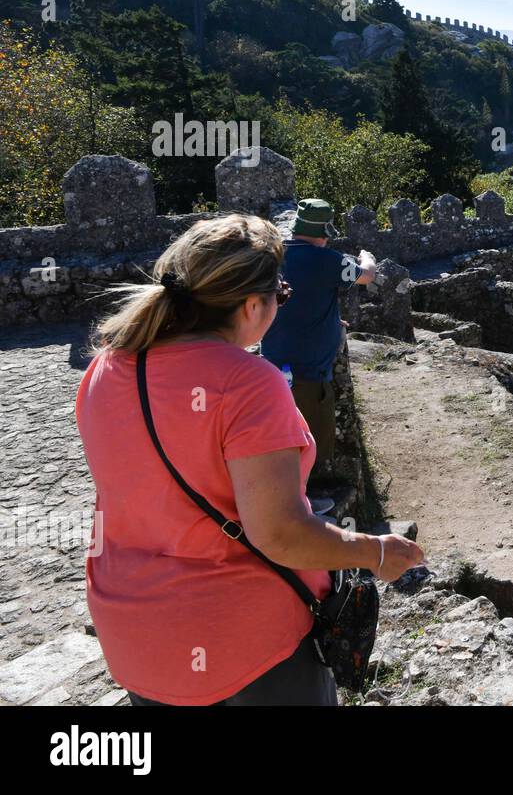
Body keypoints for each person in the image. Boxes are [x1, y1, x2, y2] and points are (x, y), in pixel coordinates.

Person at [76, 214, 423, 705]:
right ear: (252, 305)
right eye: (280, 294)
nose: (281, 304)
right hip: (244, 644)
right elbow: (280, 534)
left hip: (135, 634)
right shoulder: (247, 383)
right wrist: (378, 553)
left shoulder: (104, 368)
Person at [260, 198, 377, 474]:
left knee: (276, 440)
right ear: (324, 233)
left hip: (271, 368)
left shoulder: (274, 256)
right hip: (309, 375)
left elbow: (302, 299)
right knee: (309, 442)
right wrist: (367, 256)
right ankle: (305, 504)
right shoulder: (327, 261)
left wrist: (331, 321)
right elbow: (367, 276)